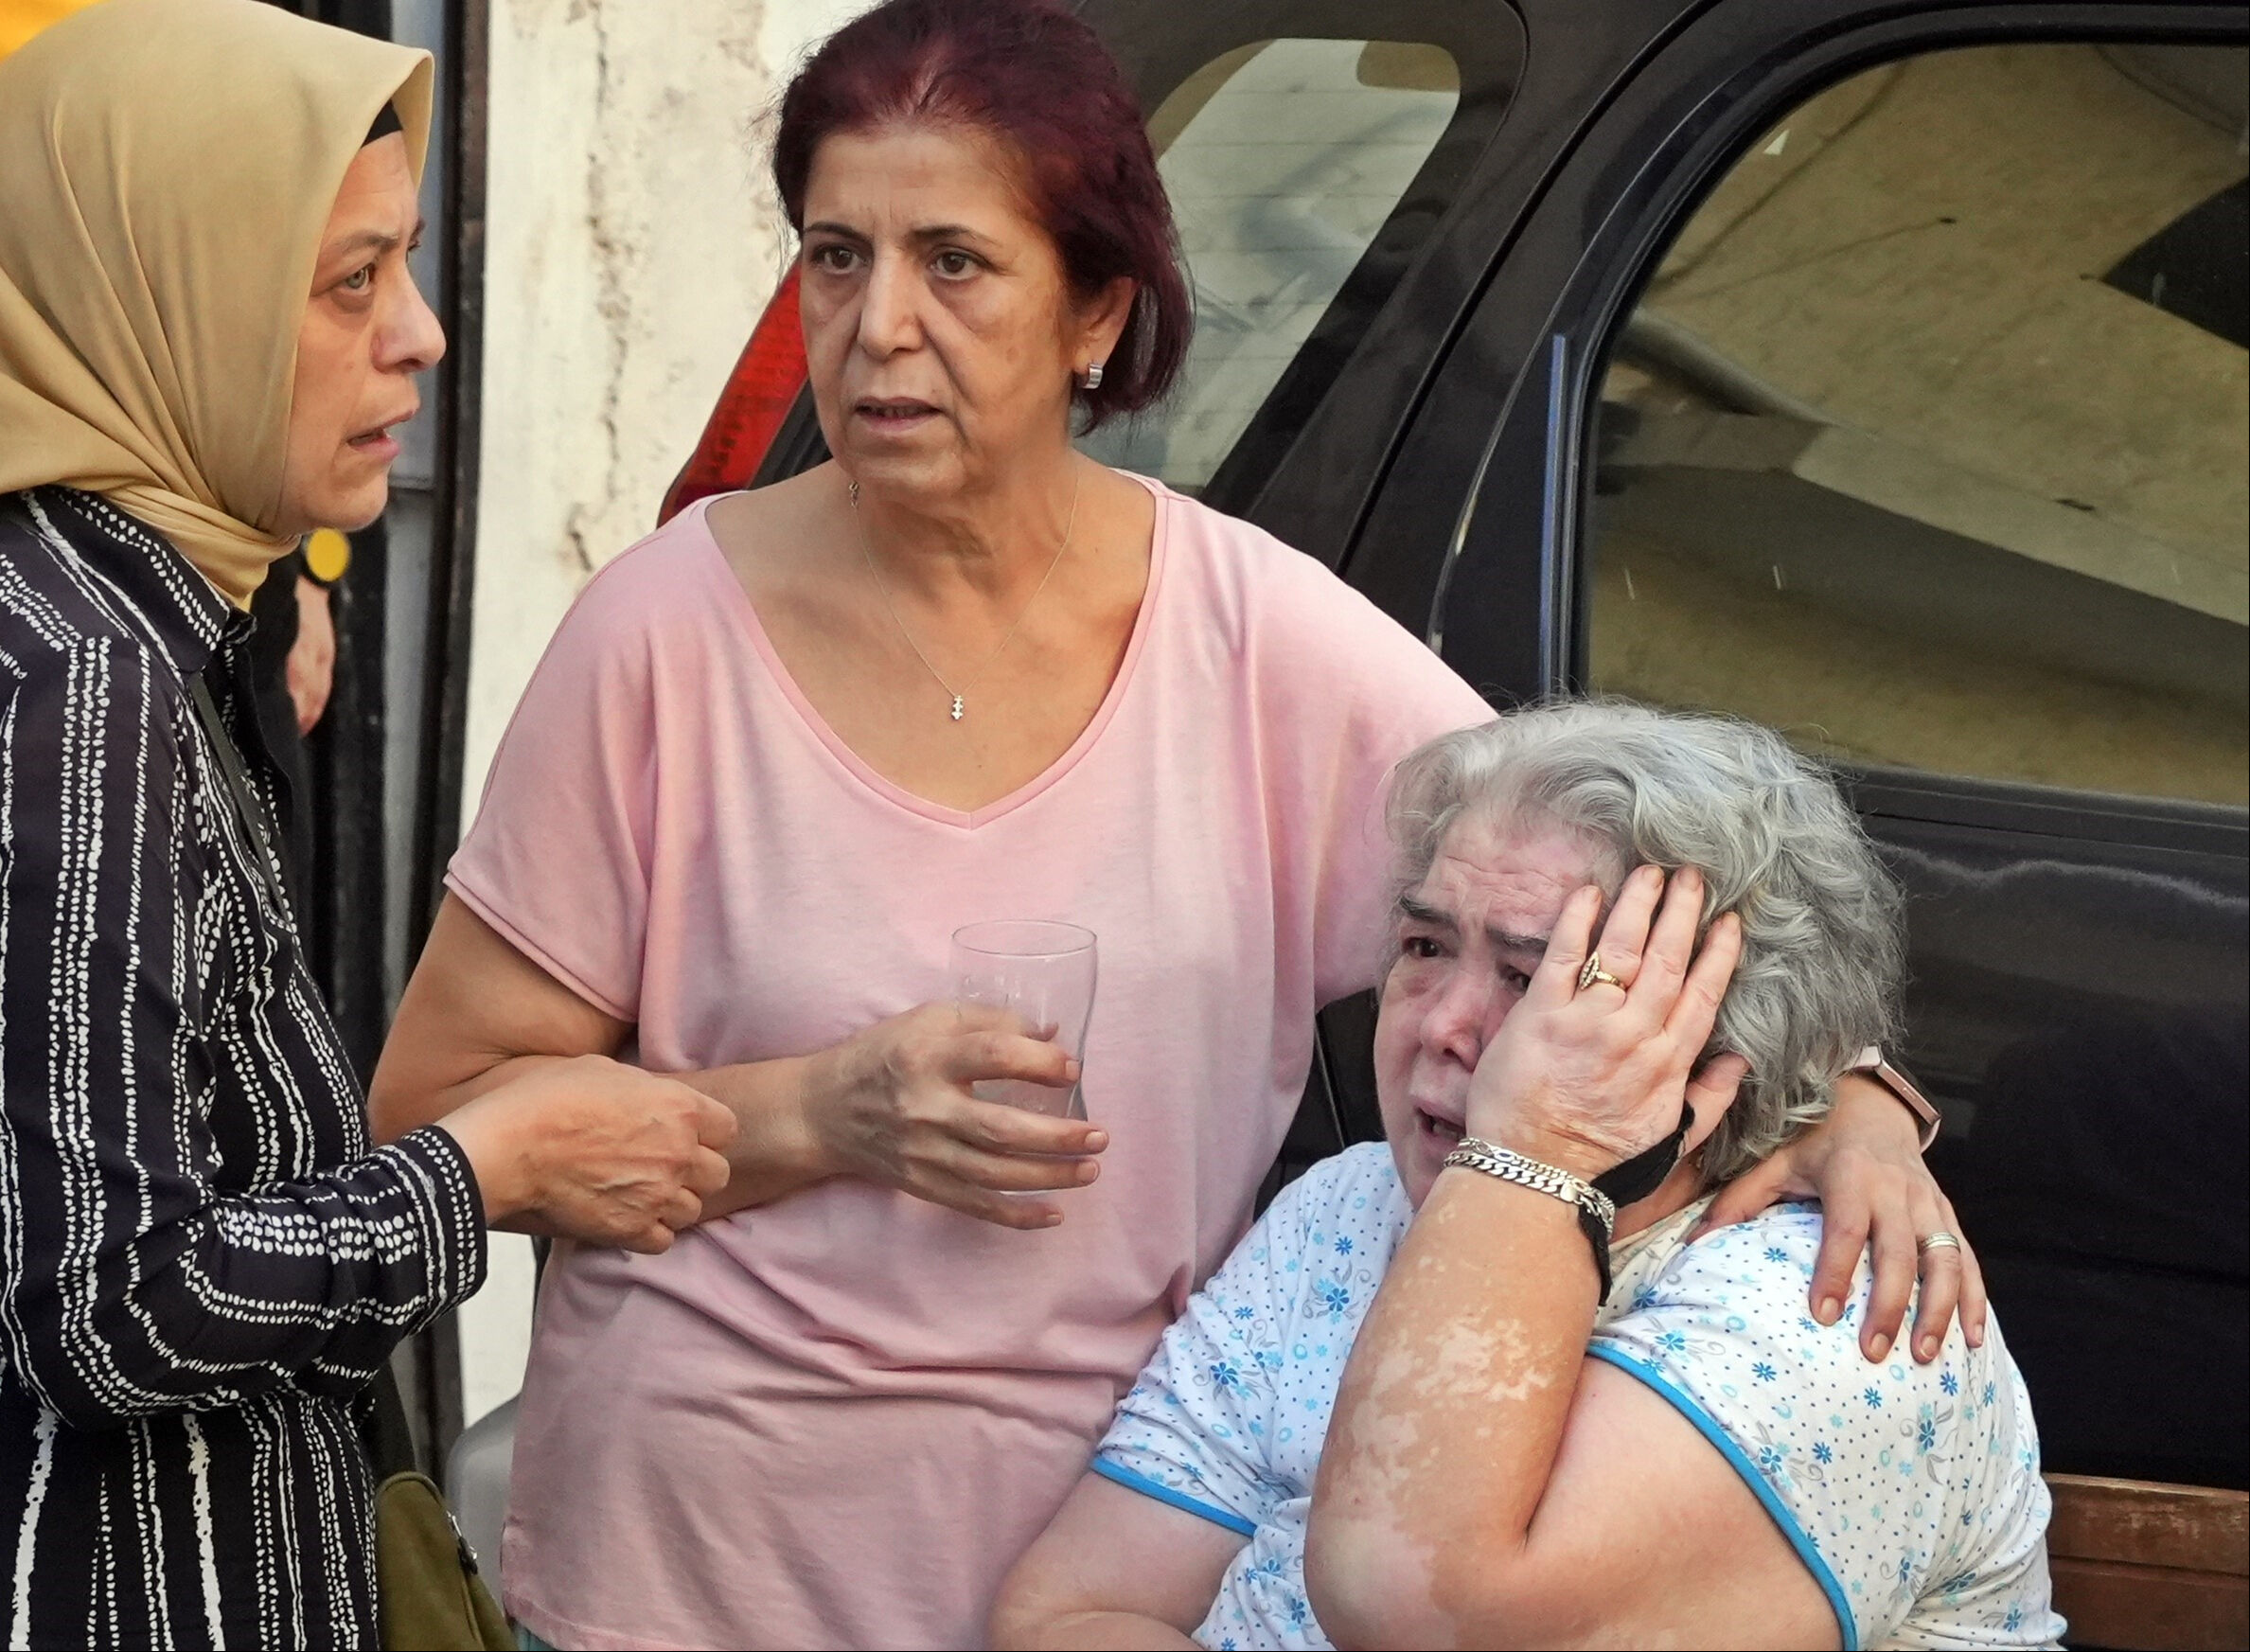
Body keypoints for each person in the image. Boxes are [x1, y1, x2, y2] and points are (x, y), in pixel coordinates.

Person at [367, 3, 1981, 1645]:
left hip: (1122, 1564)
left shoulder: (1260, 643)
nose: (877, 328)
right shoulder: (660, 636)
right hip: (686, 1568)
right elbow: (437, 1116)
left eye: (955, 263)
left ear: (1097, 313)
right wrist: (820, 1115)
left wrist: (1851, 1118)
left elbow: (1621, 908)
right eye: (836, 257)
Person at [0, 4, 735, 1645]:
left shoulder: (127, 626)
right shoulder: (84, 687)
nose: (419, 333)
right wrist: (485, 1166)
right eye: (347, 283)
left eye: (406, 266)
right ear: (158, 297)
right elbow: (109, 1305)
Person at [995, 702, 2062, 1650]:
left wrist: (1539, 1150)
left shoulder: (1830, 1311)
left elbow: (1416, 1605)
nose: (1443, 1026)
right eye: (1423, 945)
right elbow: (1068, 1609)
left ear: (1715, 1040)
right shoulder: (1347, 1206)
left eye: (1533, 976)